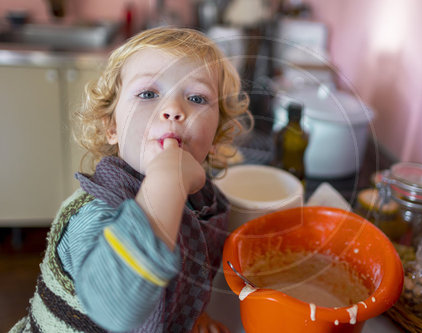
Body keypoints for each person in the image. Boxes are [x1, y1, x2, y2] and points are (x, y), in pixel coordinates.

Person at [10, 27, 252, 333]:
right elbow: (117, 305)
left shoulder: (201, 201)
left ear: (215, 137)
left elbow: (184, 274)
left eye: (196, 97)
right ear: (112, 126)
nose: (174, 110)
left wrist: (191, 315)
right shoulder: (92, 214)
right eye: (149, 94)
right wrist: (168, 178)